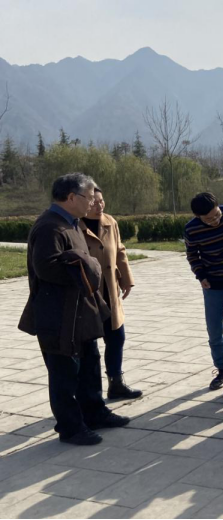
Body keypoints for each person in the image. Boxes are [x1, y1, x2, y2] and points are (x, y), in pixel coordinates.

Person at [18, 173, 130, 446]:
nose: (92, 202)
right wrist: (86, 265)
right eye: (89, 197)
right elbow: (46, 268)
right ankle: (70, 428)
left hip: (82, 311)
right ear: (71, 197)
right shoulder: (50, 227)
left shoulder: (72, 224)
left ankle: (94, 413)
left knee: (89, 364)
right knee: (64, 373)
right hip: (59, 315)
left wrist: (85, 265)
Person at [81, 187, 141, 400]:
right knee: (89, 344)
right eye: (94, 202)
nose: (99, 205)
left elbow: (120, 250)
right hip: (87, 293)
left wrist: (126, 279)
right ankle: (89, 391)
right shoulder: (75, 225)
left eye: (101, 201)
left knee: (116, 337)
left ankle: (116, 383)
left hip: (109, 289)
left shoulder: (110, 222)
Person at [184, 193, 223, 396]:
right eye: (209, 219)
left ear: (220, 206)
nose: (215, 220)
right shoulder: (192, 229)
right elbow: (192, 255)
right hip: (212, 286)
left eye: (217, 214)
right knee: (214, 332)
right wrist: (200, 275)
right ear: (198, 216)